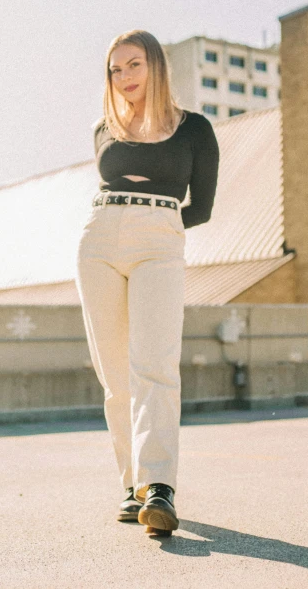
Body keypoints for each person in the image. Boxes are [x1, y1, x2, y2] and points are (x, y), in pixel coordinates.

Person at [75, 29, 219, 535]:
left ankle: (159, 486)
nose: (124, 76)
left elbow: (199, 207)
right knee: (115, 375)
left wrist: (155, 225)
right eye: (115, 69)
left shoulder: (194, 129)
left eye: (133, 65)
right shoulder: (103, 128)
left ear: (155, 66)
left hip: (160, 237)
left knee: (154, 364)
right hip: (99, 240)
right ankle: (132, 484)